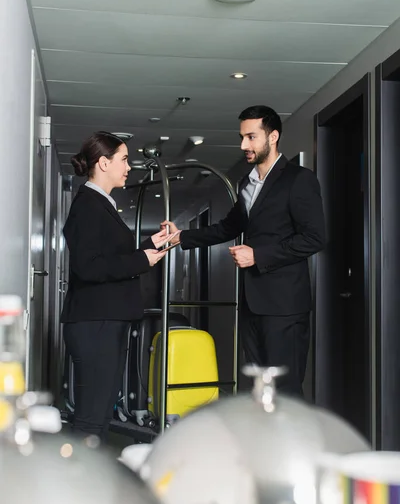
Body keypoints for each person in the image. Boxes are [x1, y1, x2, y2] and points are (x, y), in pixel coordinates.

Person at [163, 105, 325, 396]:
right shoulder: (246, 183)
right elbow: (228, 227)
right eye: (242, 137)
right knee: (258, 388)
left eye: (251, 137)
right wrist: (181, 236)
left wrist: (258, 255)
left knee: (284, 390)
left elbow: (315, 238)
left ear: (272, 136)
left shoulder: (299, 179)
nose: (243, 145)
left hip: (285, 308)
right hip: (251, 305)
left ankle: (289, 443)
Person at [61, 131, 176, 438]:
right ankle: (80, 484)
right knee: (90, 415)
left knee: (99, 412)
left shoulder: (101, 204)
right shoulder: (87, 205)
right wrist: (142, 261)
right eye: (124, 159)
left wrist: (150, 245)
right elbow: (88, 267)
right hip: (94, 322)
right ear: (103, 162)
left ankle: (91, 481)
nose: (129, 167)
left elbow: (109, 255)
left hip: (103, 320)